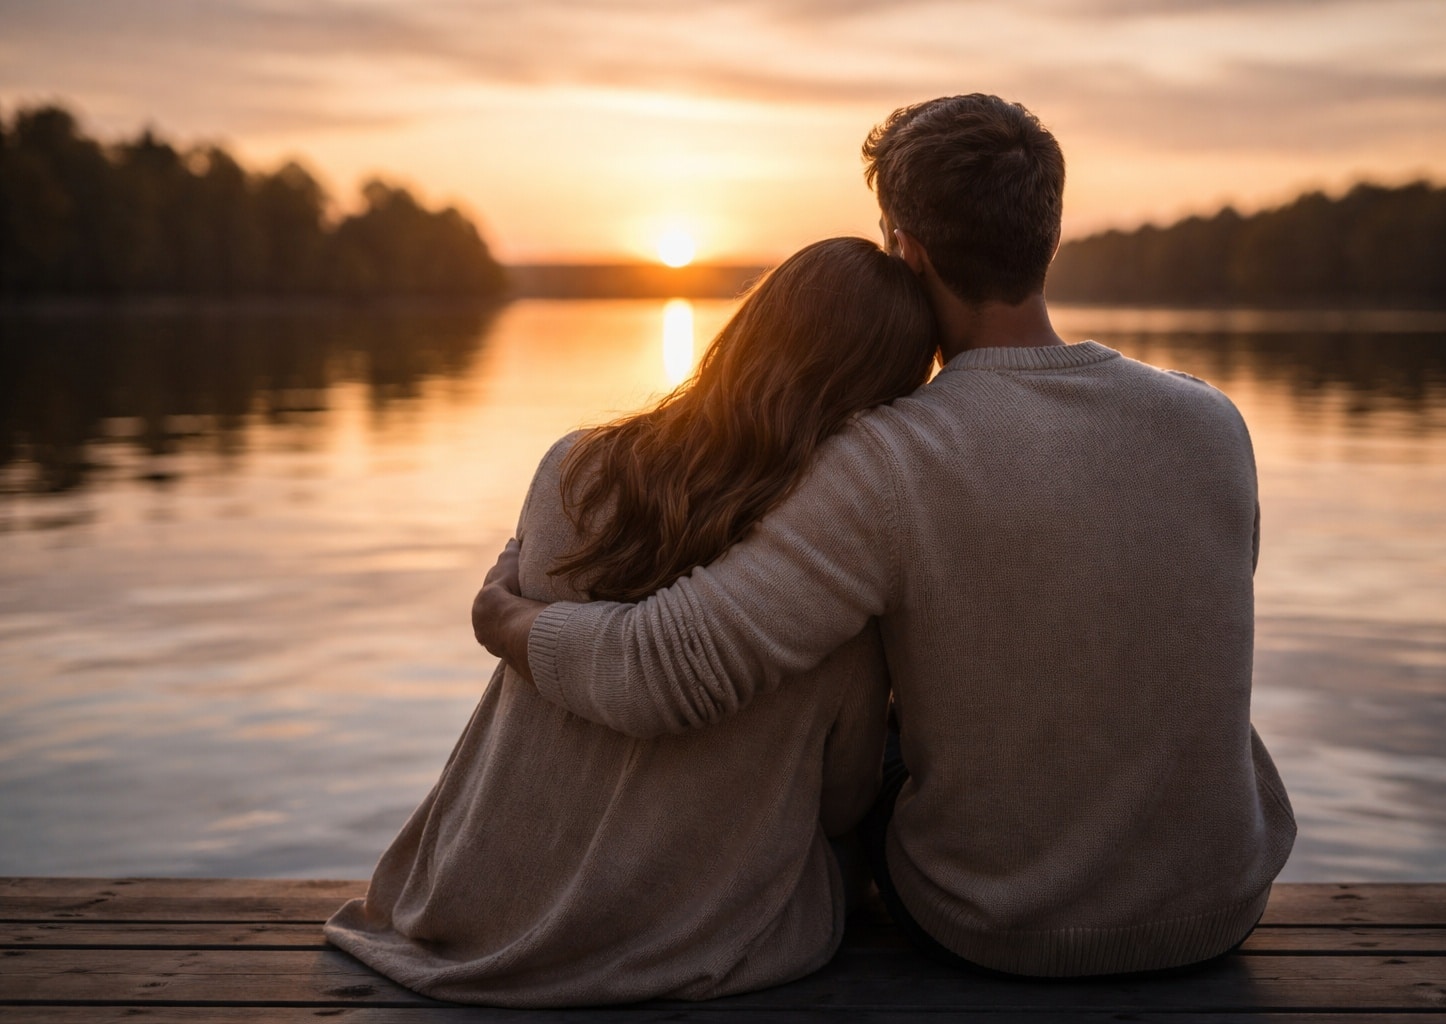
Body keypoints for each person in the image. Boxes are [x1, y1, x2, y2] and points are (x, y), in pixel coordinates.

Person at [474, 94, 1297, 978]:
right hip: (1217, 908)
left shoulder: (891, 458)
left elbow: (668, 669)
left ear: (908, 250)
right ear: (1047, 238)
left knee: (840, 698)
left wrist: (508, 622)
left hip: (994, 926)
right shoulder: (1211, 422)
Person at [325, 237, 939, 1006]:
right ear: (883, 392)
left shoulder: (571, 470)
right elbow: (843, 801)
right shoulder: (829, 571)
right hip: (681, 935)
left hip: (478, 907)